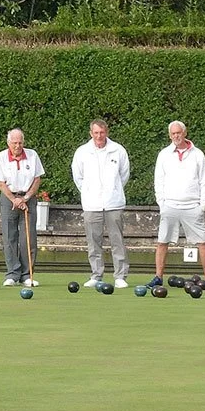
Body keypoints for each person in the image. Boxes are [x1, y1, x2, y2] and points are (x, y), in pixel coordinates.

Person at [151, 120, 205, 288]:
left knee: (203, 242)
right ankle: (158, 277)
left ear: (184, 133)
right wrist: (162, 204)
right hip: (170, 205)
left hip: (192, 205)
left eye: (178, 133)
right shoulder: (164, 154)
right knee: (162, 242)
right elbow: (158, 181)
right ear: (170, 135)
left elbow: (204, 180)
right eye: (173, 133)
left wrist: (202, 206)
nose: (176, 136)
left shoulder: (197, 154)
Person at [71, 119, 132, 289]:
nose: (99, 136)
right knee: (93, 241)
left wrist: (114, 190)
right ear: (91, 133)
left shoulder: (118, 150)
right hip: (91, 204)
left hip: (114, 203)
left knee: (117, 240)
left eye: (102, 132)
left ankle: (120, 276)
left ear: (107, 132)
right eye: (96, 133)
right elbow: (78, 177)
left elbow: (124, 175)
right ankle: (96, 275)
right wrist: (89, 192)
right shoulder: (82, 152)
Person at [0, 128, 43, 286]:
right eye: (14, 143)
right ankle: (12, 274)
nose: (17, 146)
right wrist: (14, 199)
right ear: (8, 143)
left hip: (28, 198)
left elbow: (37, 179)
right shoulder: (1, 157)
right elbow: (0, 182)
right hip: (9, 198)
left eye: (20, 142)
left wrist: (25, 198)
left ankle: (27, 275)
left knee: (28, 237)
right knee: (10, 237)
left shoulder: (32, 155)